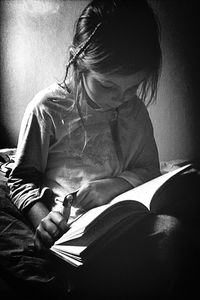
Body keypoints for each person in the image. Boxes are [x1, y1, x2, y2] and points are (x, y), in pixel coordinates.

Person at [4, 0, 194, 298]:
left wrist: (115, 184)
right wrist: (43, 220)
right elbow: (21, 178)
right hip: (69, 226)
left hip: (121, 219)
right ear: (78, 63)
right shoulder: (47, 109)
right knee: (61, 277)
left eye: (133, 87)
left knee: (173, 233)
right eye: (107, 86)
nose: (121, 98)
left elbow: (149, 170)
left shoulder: (136, 111)